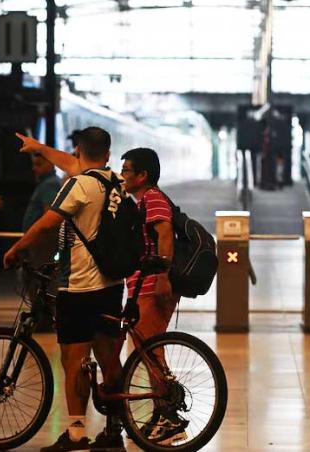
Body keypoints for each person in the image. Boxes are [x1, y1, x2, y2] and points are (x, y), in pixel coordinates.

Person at [6, 127, 127, 452]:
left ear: (78, 152)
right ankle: (114, 432)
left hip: (79, 287)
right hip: (112, 286)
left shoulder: (78, 185)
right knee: (107, 357)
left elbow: (48, 223)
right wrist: (38, 146)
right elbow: (72, 164)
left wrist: (17, 248)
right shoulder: (114, 182)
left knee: (74, 360)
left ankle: (76, 433)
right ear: (108, 154)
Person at [119, 148, 188, 445]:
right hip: (142, 285)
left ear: (142, 175)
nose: (122, 176)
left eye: (126, 171)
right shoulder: (143, 200)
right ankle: (162, 416)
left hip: (152, 285)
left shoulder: (153, 198)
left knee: (151, 350)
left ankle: (170, 419)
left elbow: (165, 234)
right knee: (147, 351)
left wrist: (162, 276)